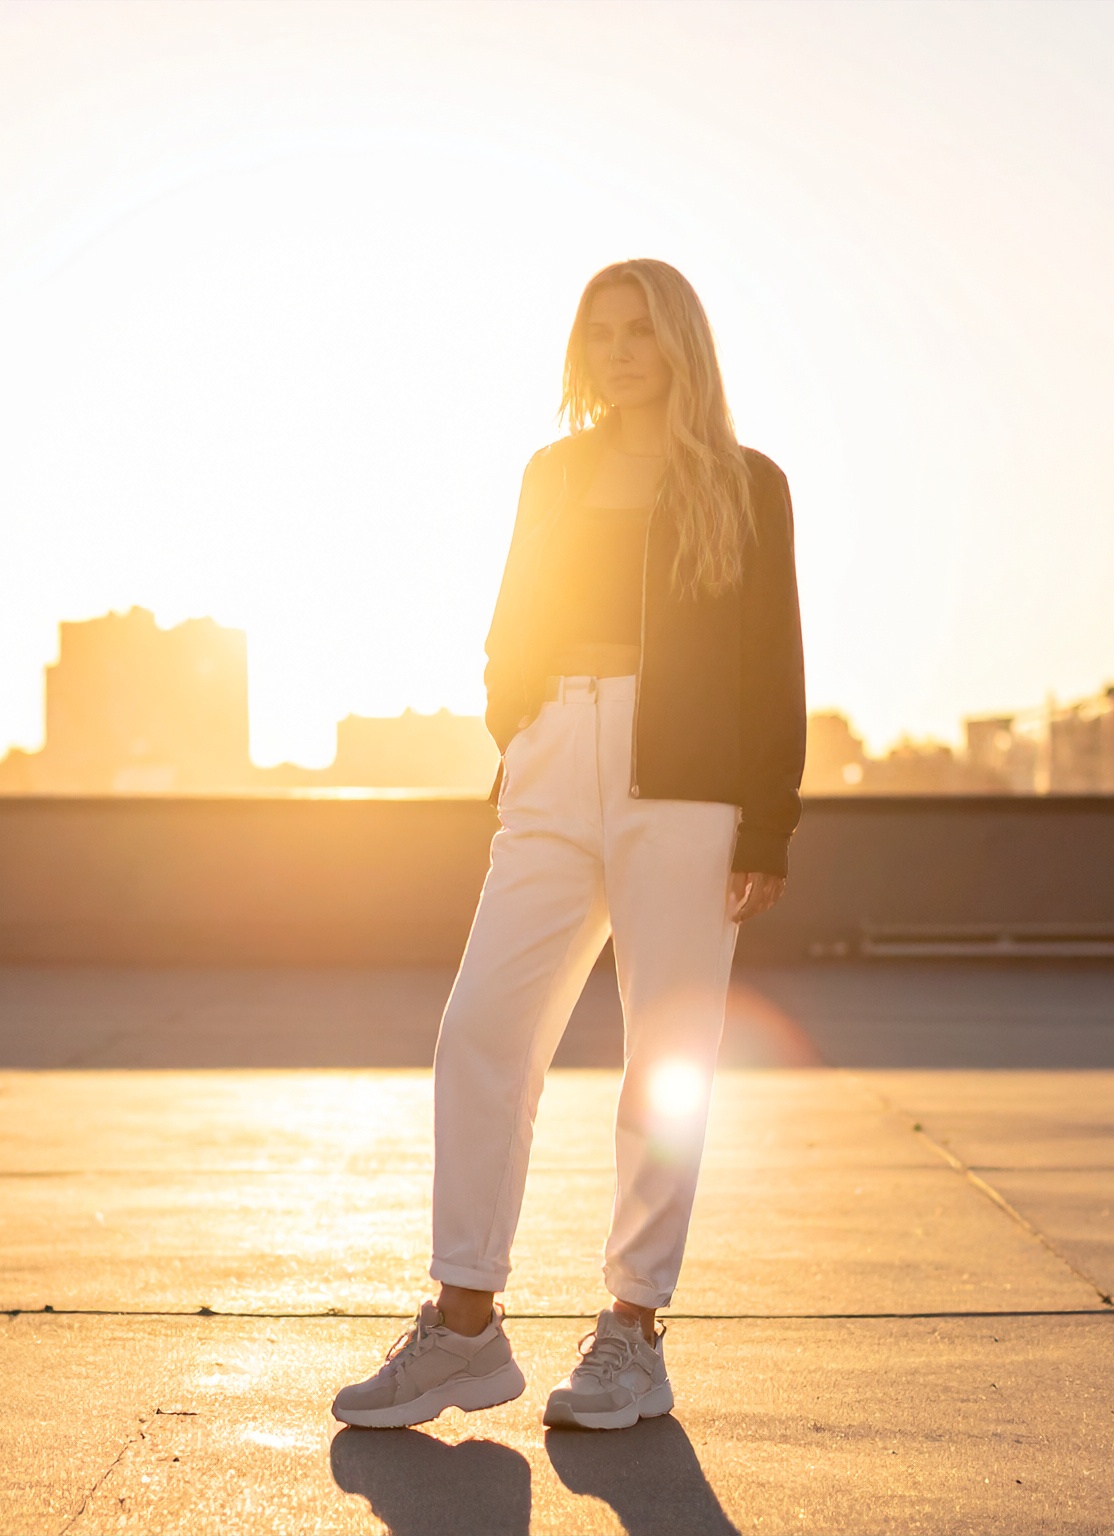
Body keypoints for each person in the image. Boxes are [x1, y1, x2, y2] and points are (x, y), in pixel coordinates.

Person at [333, 259, 805, 1432]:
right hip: (553, 766)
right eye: (599, 332)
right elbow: (510, 623)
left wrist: (769, 817)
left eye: (640, 330)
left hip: (688, 790)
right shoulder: (553, 473)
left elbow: (776, 663)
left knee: (669, 1058)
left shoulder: (748, 485)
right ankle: (463, 1330)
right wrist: (523, 720)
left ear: (680, 343)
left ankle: (633, 1330)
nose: (618, 350)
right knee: (481, 1029)